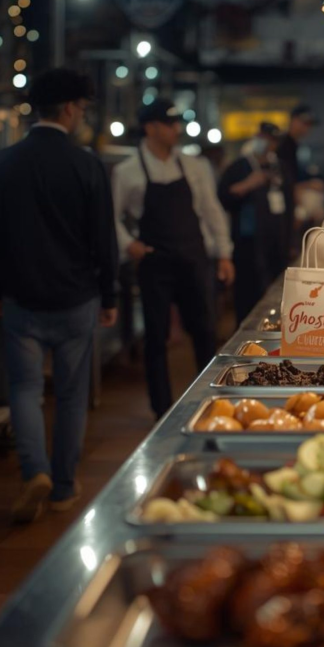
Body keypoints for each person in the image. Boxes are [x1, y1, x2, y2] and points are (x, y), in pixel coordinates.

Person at [0, 68, 119, 523]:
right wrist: (109, 296)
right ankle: (64, 488)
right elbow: (103, 240)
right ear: (70, 108)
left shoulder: (0, 163)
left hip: (20, 299)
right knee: (72, 396)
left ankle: (34, 470)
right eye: (83, 108)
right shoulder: (87, 164)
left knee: (25, 389)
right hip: (76, 300)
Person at [112, 99, 235, 419]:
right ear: (151, 128)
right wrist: (129, 244)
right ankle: (161, 409)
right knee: (156, 336)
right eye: (170, 124)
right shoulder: (127, 171)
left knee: (205, 330)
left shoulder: (194, 166)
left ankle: (211, 400)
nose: (176, 129)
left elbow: (211, 210)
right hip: (155, 261)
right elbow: (108, 217)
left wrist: (224, 253)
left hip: (193, 256)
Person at [218, 122, 288, 323]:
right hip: (247, 243)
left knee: (276, 293)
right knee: (248, 294)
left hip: (275, 242)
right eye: (266, 139)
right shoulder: (239, 167)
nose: (269, 145)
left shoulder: (280, 167)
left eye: (273, 141)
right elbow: (222, 197)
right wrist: (248, 185)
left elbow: (289, 204)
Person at [275, 103, 319, 254]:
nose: (306, 128)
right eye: (304, 123)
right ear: (293, 120)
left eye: (309, 125)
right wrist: (305, 187)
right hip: (282, 209)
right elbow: (284, 182)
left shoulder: (294, 145)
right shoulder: (283, 145)